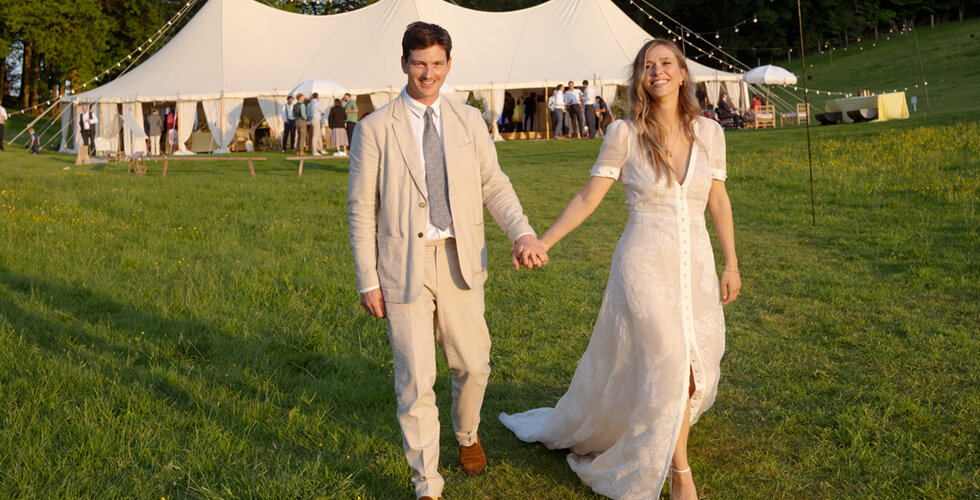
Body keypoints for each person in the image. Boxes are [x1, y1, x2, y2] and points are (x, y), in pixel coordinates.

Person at [501, 39, 741, 500]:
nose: (658, 72)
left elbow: (718, 200)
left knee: (695, 366)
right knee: (669, 359)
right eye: (648, 66)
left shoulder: (711, 134)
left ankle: (662, 432)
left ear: (683, 73)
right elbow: (588, 198)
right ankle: (680, 474)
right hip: (643, 264)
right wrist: (542, 240)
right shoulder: (624, 134)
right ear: (639, 78)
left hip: (696, 265)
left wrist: (732, 263)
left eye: (666, 63)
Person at [347, 21, 547, 500]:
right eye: (419, 63)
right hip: (402, 267)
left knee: (473, 366)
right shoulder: (375, 129)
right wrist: (367, 279)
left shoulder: (468, 120)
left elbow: (493, 184)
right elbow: (361, 208)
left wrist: (521, 230)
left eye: (437, 63)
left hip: (461, 260)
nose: (428, 73)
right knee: (415, 379)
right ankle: (427, 484)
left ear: (449, 65)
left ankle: (466, 433)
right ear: (404, 65)